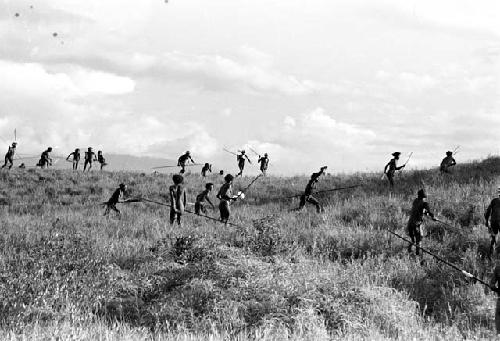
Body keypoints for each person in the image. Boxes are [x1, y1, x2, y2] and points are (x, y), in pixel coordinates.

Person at [407, 189, 436, 256]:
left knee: (413, 240)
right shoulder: (424, 203)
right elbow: (429, 212)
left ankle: (409, 251)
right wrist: (433, 217)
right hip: (416, 224)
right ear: (424, 196)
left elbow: (419, 210)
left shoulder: (415, 201)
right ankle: (418, 255)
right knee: (419, 239)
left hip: (410, 223)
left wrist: (425, 213)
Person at [485, 187, 500, 256]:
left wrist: (486, 221)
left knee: (493, 237)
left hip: (493, 221)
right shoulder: (494, 201)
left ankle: (490, 254)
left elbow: (487, 212)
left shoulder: (494, 201)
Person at [489, 257, 500, 335]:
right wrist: (493, 287)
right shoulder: (498, 268)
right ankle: (498, 333)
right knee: (498, 314)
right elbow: (492, 283)